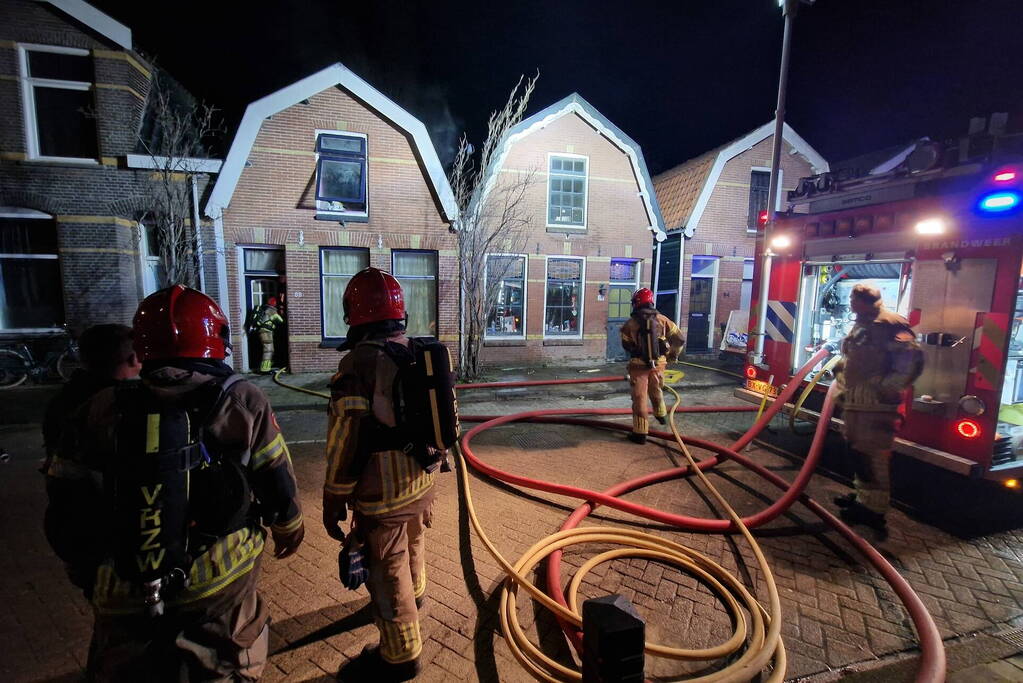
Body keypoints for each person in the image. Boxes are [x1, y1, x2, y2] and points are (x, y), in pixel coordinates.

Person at [45, 285, 304, 681]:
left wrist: (85, 571)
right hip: (218, 577)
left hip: (122, 583)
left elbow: (65, 500)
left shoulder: (97, 408)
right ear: (214, 339)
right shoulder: (242, 399)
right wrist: (289, 527)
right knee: (224, 665)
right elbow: (275, 477)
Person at [325, 267, 452, 682]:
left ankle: (401, 655)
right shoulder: (417, 350)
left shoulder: (356, 365)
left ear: (354, 317)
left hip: (383, 493)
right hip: (424, 478)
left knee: (387, 566)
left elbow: (346, 437)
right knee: (412, 541)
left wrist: (333, 496)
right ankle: (417, 597)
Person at [43, 324, 142, 595]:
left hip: (75, 534)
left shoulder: (61, 402)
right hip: (119, 539)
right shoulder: (128, 409)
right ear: (134, 359)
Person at [833, 284, 923, 539]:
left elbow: (910, 362)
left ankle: (874, 510)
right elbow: (851, 358)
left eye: (855, 299)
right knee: (857, 453)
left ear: (868, 301)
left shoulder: (890, 324)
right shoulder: (863, 323)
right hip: (855, 402)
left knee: (873, 458)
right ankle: (863, 497)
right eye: (851, 299)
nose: (851, 303)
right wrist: (841, 379)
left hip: (876, 406)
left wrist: (885, 389)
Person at [619, 288, 685, 444]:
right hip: (659, 364)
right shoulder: (663, 320)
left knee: (640, 398)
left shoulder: (629, 324)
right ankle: (661, 414)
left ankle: (640, 434)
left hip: (638, 366)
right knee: (656, 388)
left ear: (636, 303)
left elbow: (626, 345)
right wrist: (672, 355)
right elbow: (680, 339)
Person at [246, 296, 284, 373]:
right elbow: (280, 320)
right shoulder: (271, 311)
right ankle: (265, 369)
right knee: (268, 350)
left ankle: (267, 366)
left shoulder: (265, 309)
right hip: (266, 332)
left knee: (269, 350)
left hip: (264, 332)